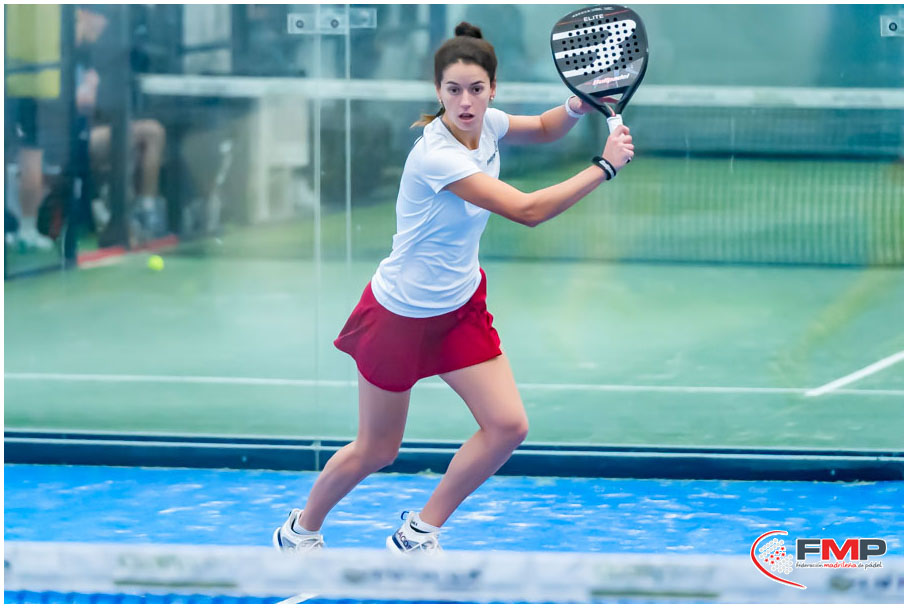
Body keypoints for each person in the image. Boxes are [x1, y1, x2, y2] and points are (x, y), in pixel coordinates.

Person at [273, 22, 634, 555]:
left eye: (476, 89)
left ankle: (419, 531)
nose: (466, 102)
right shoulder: (436, 155)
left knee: (507, 426)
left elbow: (544, 127)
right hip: (399, 315)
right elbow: (527, 211)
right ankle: (300, 530)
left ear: (492, 89)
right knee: (377, 449)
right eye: (454, 90)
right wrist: (604, 166)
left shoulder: (488, 124)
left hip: (460, 307)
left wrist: (577, 106)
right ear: (438, 91)